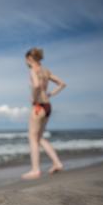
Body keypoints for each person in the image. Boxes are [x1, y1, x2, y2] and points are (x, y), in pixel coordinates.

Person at [21, 47, 66, 180]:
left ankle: (35, 170)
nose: (26, 63)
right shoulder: (46, 71)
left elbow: (35, 85)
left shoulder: (32, 70)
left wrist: (34, 98)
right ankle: (57, 163)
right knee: (39, 138)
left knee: (32, 138)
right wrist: (50, 94)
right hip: (47, 106)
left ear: (29, 59)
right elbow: (62, 84)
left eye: (26, 60)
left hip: (38, 107)